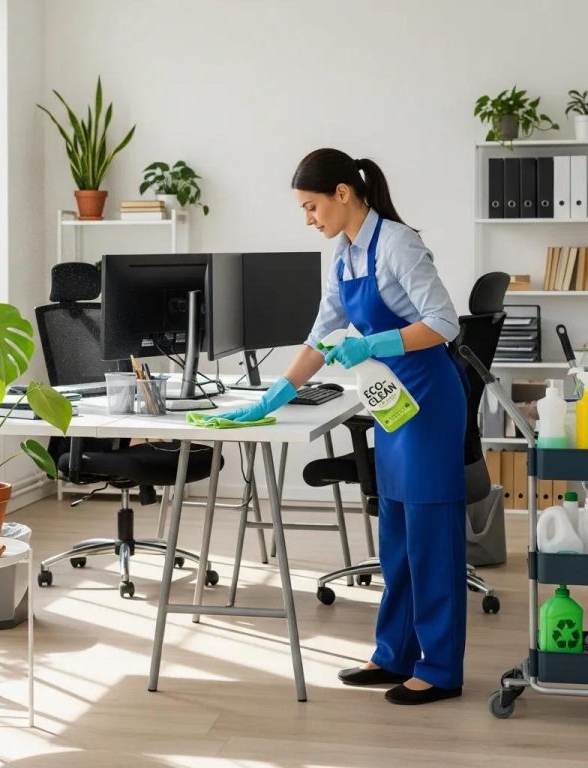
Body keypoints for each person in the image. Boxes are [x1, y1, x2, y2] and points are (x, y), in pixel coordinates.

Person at [216, 148, 467, 705]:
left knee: (430, 535)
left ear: (343, 194)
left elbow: (444, 323)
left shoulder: (398, 243)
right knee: (397, 533)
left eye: (311, 207)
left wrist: (374, 342)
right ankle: (394, 654)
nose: (309, 219)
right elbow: (320, 336)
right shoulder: (344, 256)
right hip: (393, 403)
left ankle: (442, 668)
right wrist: (274, 396)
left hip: (428, 399)